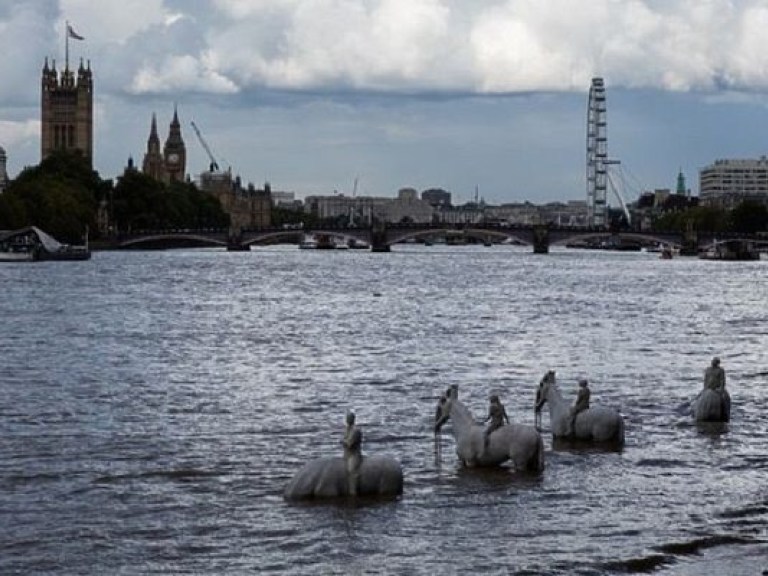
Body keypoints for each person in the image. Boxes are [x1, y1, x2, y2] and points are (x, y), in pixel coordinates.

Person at [341, 412, 363, 496]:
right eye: (346, 418)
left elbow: (349, 444)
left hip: (354, 455)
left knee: (352, 471)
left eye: (349, 418)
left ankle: (353, 491)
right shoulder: (347, 429)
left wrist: (343, 441)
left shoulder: (356, 431)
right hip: (346, 454)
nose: (347, 420)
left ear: (353, 419)